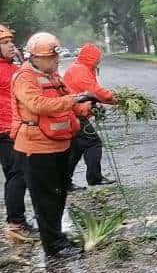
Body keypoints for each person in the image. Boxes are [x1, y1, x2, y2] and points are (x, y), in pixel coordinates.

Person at [11, 33, 96, 258]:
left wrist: (87, 107)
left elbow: (69, 100)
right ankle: (53, 246)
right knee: (45, 198)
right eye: (51, 57)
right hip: (36, 148)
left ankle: (56, 236)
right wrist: (74, 100)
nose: (56, 61)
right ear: (35, 57)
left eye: (56, 56)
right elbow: (39, 104)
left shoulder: (53, 76)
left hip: (59, 145)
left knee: (58, 195)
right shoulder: (24, 77)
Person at [62, 43, 116, 190]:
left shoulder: (83, 68)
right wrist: (115, 98)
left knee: (77, 148)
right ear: (92, 58)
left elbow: (91, 94)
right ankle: (94, 177)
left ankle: (64, 182)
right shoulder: (80, 70)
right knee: (93, 142)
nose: (99, 61)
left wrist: (97, 105)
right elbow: (95, 91)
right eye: (98, 58)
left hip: (74, 112)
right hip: (73, 113)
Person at [0, 26, 33, 237]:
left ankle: (16, 220)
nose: (11, 45)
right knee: (17, 174)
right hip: (5, 129)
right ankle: (15, 223)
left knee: (15, 173)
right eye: (4, 42)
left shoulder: (11, 67)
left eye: (11, 41)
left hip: (13, 127)